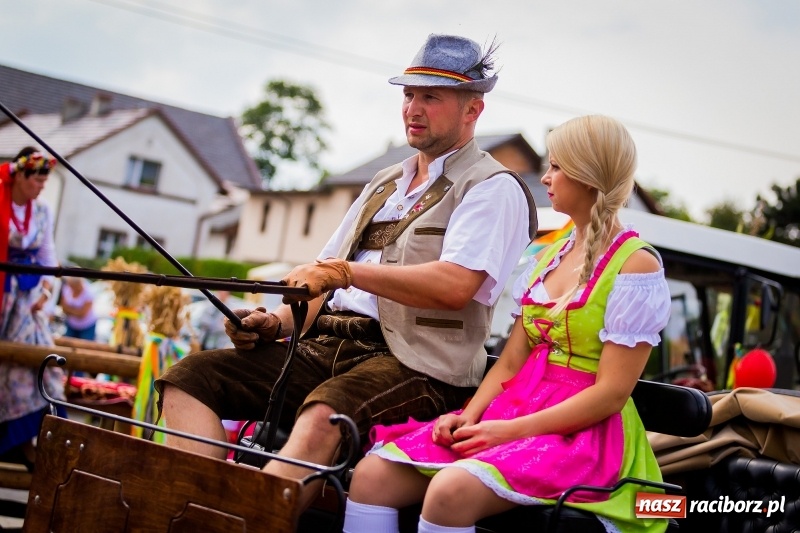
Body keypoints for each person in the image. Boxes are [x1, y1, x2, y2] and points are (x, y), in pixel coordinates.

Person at [155, 33, 537, 510]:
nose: (413, 108)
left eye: (431, 97)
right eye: (409, 94)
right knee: (189, 377)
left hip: (420, 363)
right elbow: (321, 276)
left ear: (472, 109)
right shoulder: (383, 183)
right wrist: (277, 324)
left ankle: (250, 518)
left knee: (323, 416)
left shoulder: (492, 187)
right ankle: (201, 512)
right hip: (330, 344)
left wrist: (345, 275)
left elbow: (455, 286)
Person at [343, 115, 673, 533]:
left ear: (589, 177)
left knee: (449, 492)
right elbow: (512, 361)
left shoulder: (636, 265)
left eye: (556, 167)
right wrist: (471, 416)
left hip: (582, 436)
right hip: (516, 410)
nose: (546, 177)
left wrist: (507, 431)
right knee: (373, 476)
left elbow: (609, 394)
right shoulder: (549, 257)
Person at [0, 146, 65, 470]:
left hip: (26, 300)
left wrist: (47, 288)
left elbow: (47, 253)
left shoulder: (42, 211)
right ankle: (18, 445)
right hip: (1, 294)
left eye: (44, 180)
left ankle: (25, 441)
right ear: (20, 175)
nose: (41, 186)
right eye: (37, 179)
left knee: (44, 364)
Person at [60, 276, 98, 341]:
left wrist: (69, 310)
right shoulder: (67, 288)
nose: (70, 288)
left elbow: (82, 314)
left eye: (72, 286)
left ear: (78, 285)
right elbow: (63, 307)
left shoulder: (89, 292)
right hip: (71, 324)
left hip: (87, 326)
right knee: (68, 344)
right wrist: (76, 311)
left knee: (84, 346)